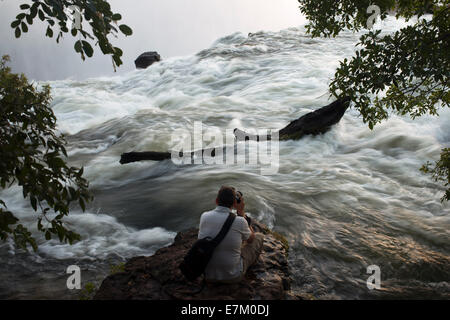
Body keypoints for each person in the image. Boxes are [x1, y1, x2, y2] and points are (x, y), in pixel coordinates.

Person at [198, 186, 264, 283]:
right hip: (233, 276)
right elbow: (251, 239)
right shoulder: (240, 221)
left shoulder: (204, 216)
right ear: (234, 203)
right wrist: (241, 212)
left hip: (207, 275)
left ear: (216, 201)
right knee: (259, 237)